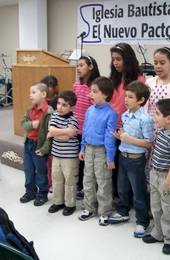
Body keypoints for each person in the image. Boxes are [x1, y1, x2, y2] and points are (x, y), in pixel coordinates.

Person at [108, 81, 155, 238]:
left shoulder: (146, 119)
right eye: (125, 96)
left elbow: (149, 143)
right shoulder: (125, 115)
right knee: (122, 188)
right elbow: (125, 135)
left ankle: (142, 221)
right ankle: (123, 211)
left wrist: (128, 139)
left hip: (136, 160)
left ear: (141, 100)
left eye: (130, 97)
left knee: (138, 192)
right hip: (123, 157)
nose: (125, 100)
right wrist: (120, 135)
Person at [142, 98, 170, 255]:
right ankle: (158, 233)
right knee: (156, 207)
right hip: (155, 175)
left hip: (168, 178)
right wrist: (151, 172)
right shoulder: (161, 132)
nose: (154, 116)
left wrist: (168, 183)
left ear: (168, 119)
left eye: (157, 114)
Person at [78, 76, 117, 224]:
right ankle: (89, 207)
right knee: (87, 179)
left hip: (102, 151)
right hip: (88, 149)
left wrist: (110, 158)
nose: (90, 94)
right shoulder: (89, 110)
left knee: (103, 181)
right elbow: (85, 130)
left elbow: (110, 137)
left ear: (105, 94)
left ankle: (105, 211)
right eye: (91, 91)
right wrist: (82, 148)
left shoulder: (111, 113)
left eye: (95, 91)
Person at [109, 42, 145, 198]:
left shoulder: (138, 79)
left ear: (127, 59)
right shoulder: (114, 77)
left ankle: (127, 199)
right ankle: (118, 196)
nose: (115, 62)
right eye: (113, 59)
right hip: (112, 127)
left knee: (126, 168)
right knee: (113, 165)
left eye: (119, 59)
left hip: (128, 130)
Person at [20, 82, 54, 206]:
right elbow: (23, 123)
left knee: (40, 171)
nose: (30, 96)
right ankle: (30, 191)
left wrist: (44, 149)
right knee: (28, 170)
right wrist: (31, 124)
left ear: (43, 94)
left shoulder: (49, 112)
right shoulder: (30, 110)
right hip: (28, 144)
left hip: (39, 146)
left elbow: (50, 135)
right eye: (30, 93)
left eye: (33, 92)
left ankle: (42, 194)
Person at [47, 91, 79, 216]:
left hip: (69, 157)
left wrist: (54, 134)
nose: (59, 107)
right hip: (56, 155)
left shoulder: (73, 119)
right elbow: (51, 129)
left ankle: (70, 204)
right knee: (57, 179)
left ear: (71, 107)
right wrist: (64, 131)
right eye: (59, 104)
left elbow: (67, 137)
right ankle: (57, 202)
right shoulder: (54, 115)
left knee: (69, 180)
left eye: (64, 105)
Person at [73, 55, 100, 200]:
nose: (78, 68)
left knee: (86, 162)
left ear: (91, 67)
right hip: (75, 129)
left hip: (87, 131)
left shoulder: (94, 88)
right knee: (78, 159)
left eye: (81, 65)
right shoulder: (76, 85)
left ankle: (86, 187)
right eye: (77, 65)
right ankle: (78, 185)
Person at [145, 47, 170, 120]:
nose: (158, 66)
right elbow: (143, 106)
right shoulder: (149, 82)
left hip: (168, 127)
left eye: (162, 63)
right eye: (155, 63)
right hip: (148, 126)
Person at [40, 75, 59, 192]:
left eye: (51, 86)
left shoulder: (57, 101)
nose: (48, 89)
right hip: (42, 134)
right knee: (44, 161)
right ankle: (45, 181)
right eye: (46, 86)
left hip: (52, 135)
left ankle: (52, 183)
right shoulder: (41, 102)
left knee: (51, 161)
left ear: (56, 87)